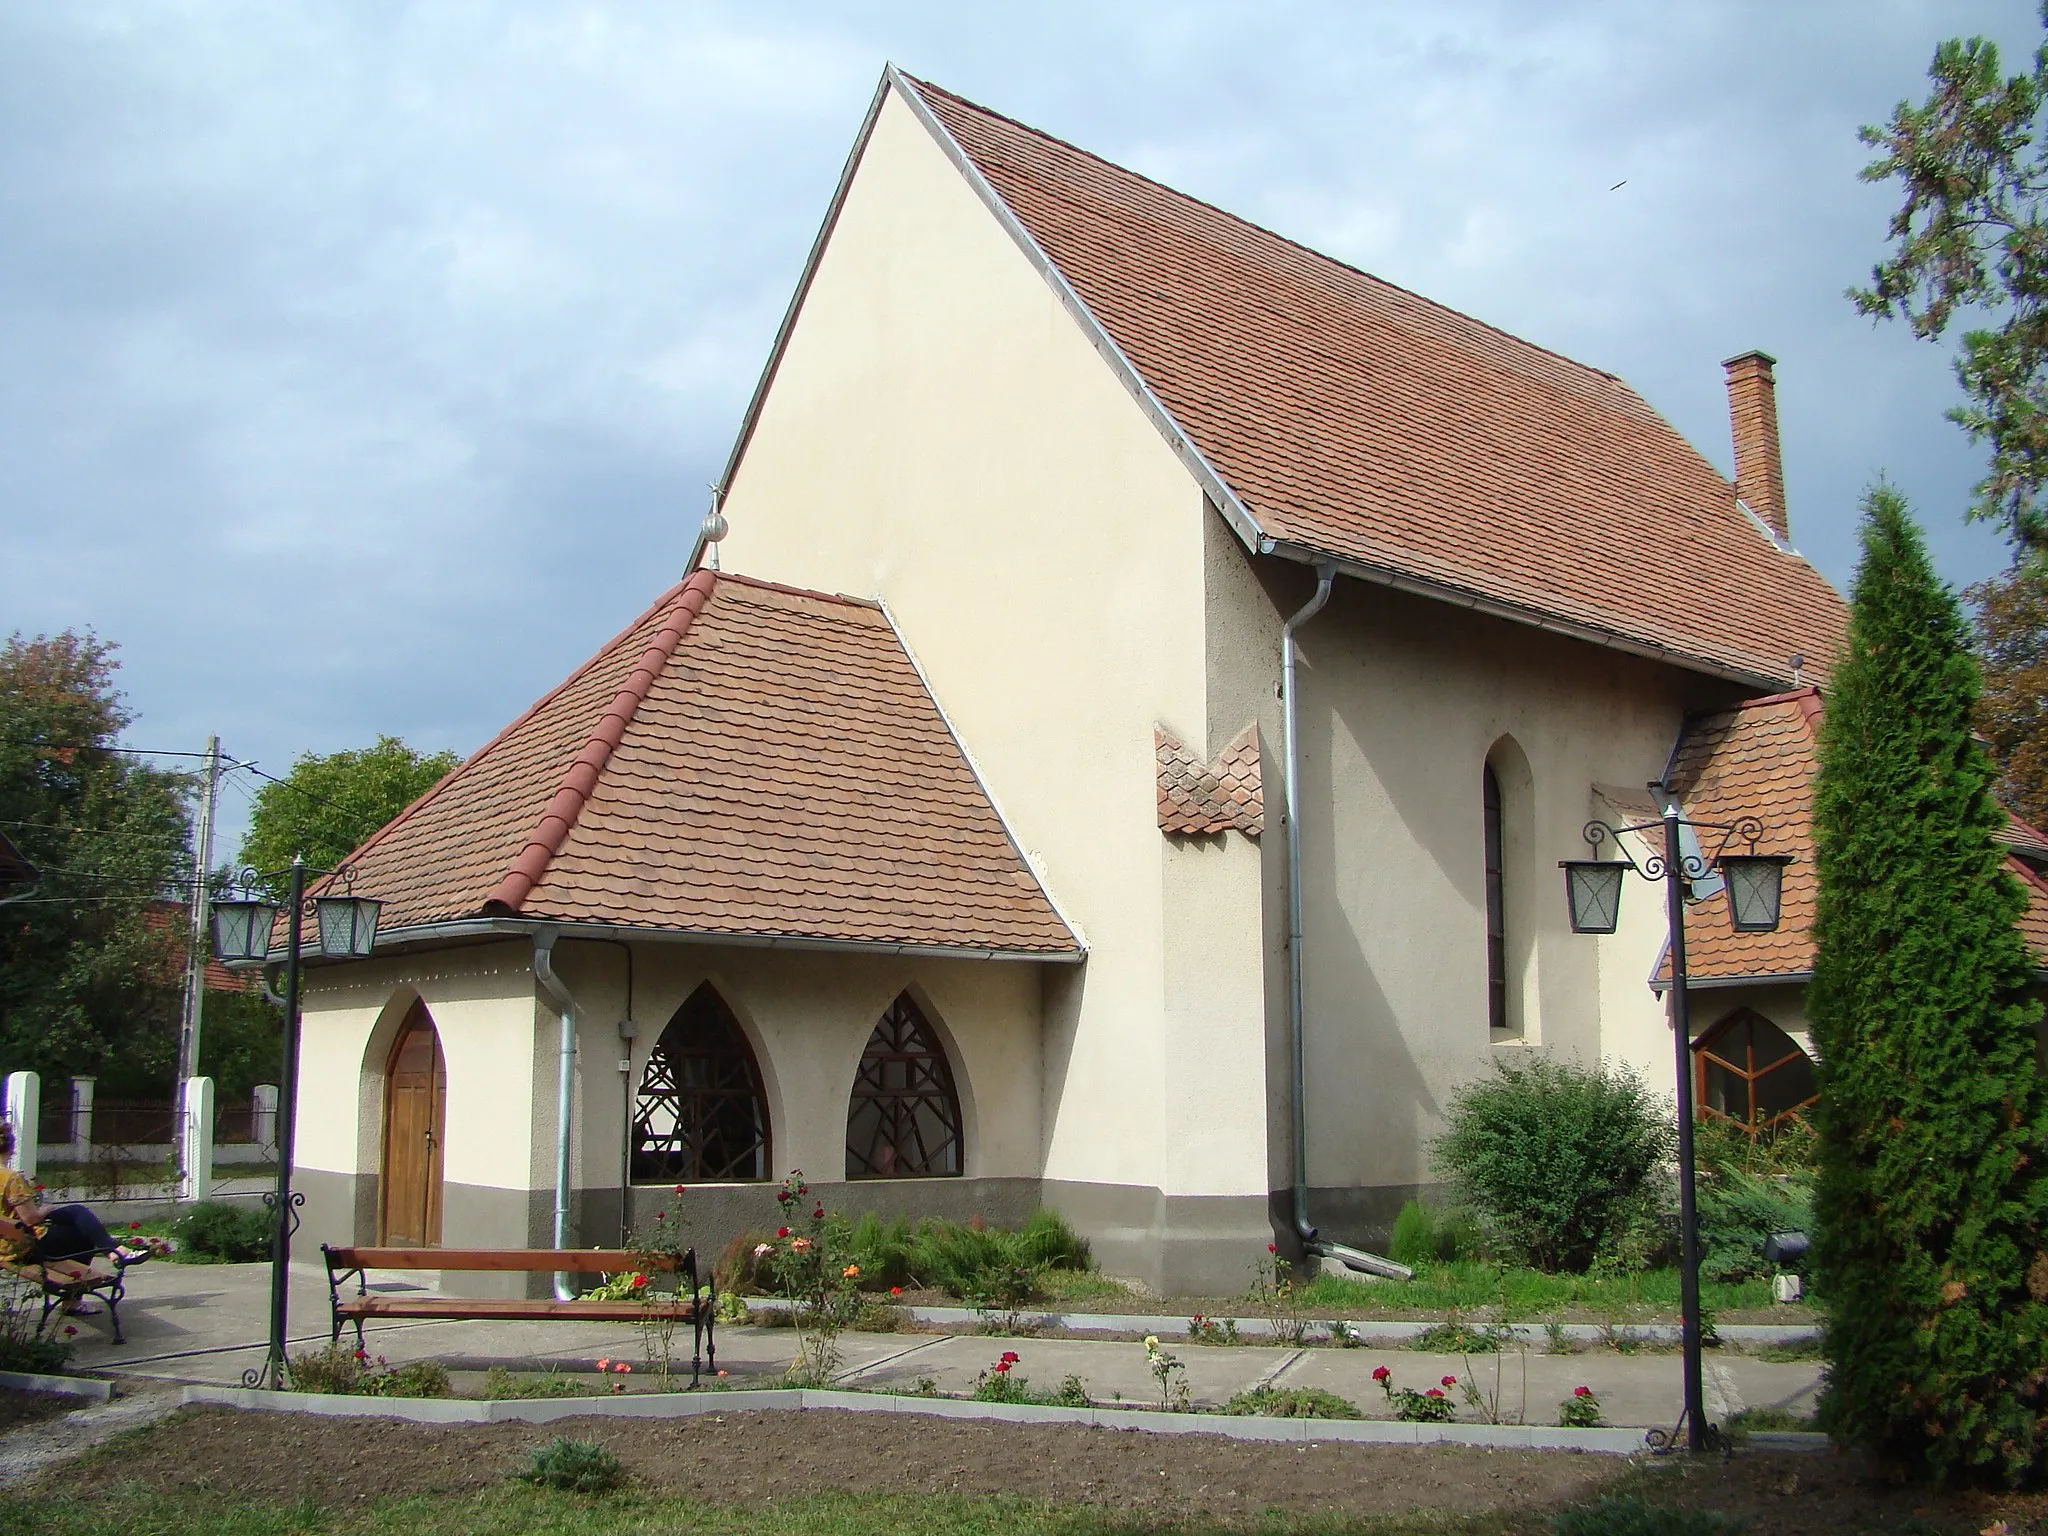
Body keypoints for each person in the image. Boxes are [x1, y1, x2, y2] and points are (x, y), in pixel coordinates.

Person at [0, 1119, 148, 1310]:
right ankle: (108, 1259)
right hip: (24, 1249)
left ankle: (112, 1252)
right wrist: (47, 1208)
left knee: (75, 1215)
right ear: (11, 1148)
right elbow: (31, 1218)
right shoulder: (12, 1179)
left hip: (5, 1245)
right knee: (82, 1231)